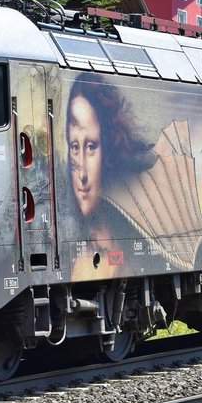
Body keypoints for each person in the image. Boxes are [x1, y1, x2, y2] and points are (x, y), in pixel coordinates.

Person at [65, 73, 152, 279]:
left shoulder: (136, 242)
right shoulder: (69, 249)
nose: (82, 174)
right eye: (75, 147)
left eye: (91, 146)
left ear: (108, 151)